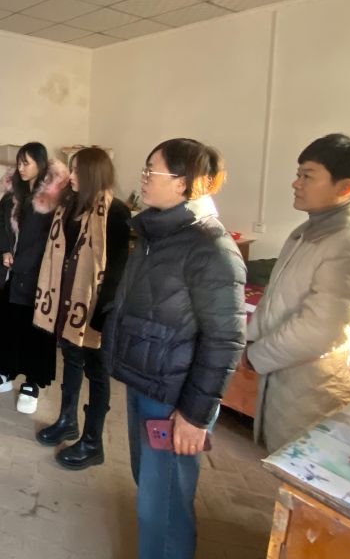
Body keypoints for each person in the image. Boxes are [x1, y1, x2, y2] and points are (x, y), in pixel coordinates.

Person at [103, 138, 245, 559]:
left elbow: (224, 340)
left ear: (183, 183)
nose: (143, 179)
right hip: (146, 380)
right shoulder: (158, 234)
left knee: (163, 506)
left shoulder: (211, 248)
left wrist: (195, 416)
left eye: (152, 171)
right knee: (150, 489)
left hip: (173, 397)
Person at [245, 134, 350, 452]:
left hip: (320, 389)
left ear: (345, 188)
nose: (296, 183)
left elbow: (322, 330)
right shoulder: (307, 233)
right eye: (298, 174)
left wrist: (256, 355)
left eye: (308, 176)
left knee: (300, 467)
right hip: (291, 380)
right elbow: (278, 301)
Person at [33, 146, 131, 469]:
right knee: (71, 360)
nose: (71, 175)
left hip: (94, 308)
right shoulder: (69, 206)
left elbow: (116, 269)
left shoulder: (115, 212)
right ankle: (67, 421)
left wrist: (102, 315)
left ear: (93, 174)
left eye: (76, 170)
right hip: (67, 301)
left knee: (97, 373)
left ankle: (92, 442)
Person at [0, 142, 65, 412]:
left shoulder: (53, 198)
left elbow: (48, 239)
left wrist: (22, 262)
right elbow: (0, 223)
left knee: (34, 329)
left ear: (41, 163)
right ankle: (4, 372)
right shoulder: (12, 194)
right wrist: (4, 251)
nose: (21, 168)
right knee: (7, 324)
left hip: (37, 276)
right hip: (10, 273)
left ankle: (32, 382)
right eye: (19, 162)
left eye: (27, 162)